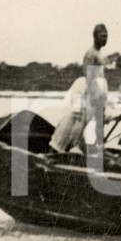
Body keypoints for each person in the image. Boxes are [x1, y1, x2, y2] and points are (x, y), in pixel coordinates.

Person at [49, 23, 110, 153]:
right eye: (102, 36)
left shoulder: (98, 53)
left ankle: (100, 147)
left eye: (106, 36)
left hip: (99, 89)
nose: (105, 39)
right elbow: (88, 75)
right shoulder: (91, 54)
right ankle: (75, 146)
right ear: (95, 36)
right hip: (91, 89)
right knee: (82, 119)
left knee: (100, 120)